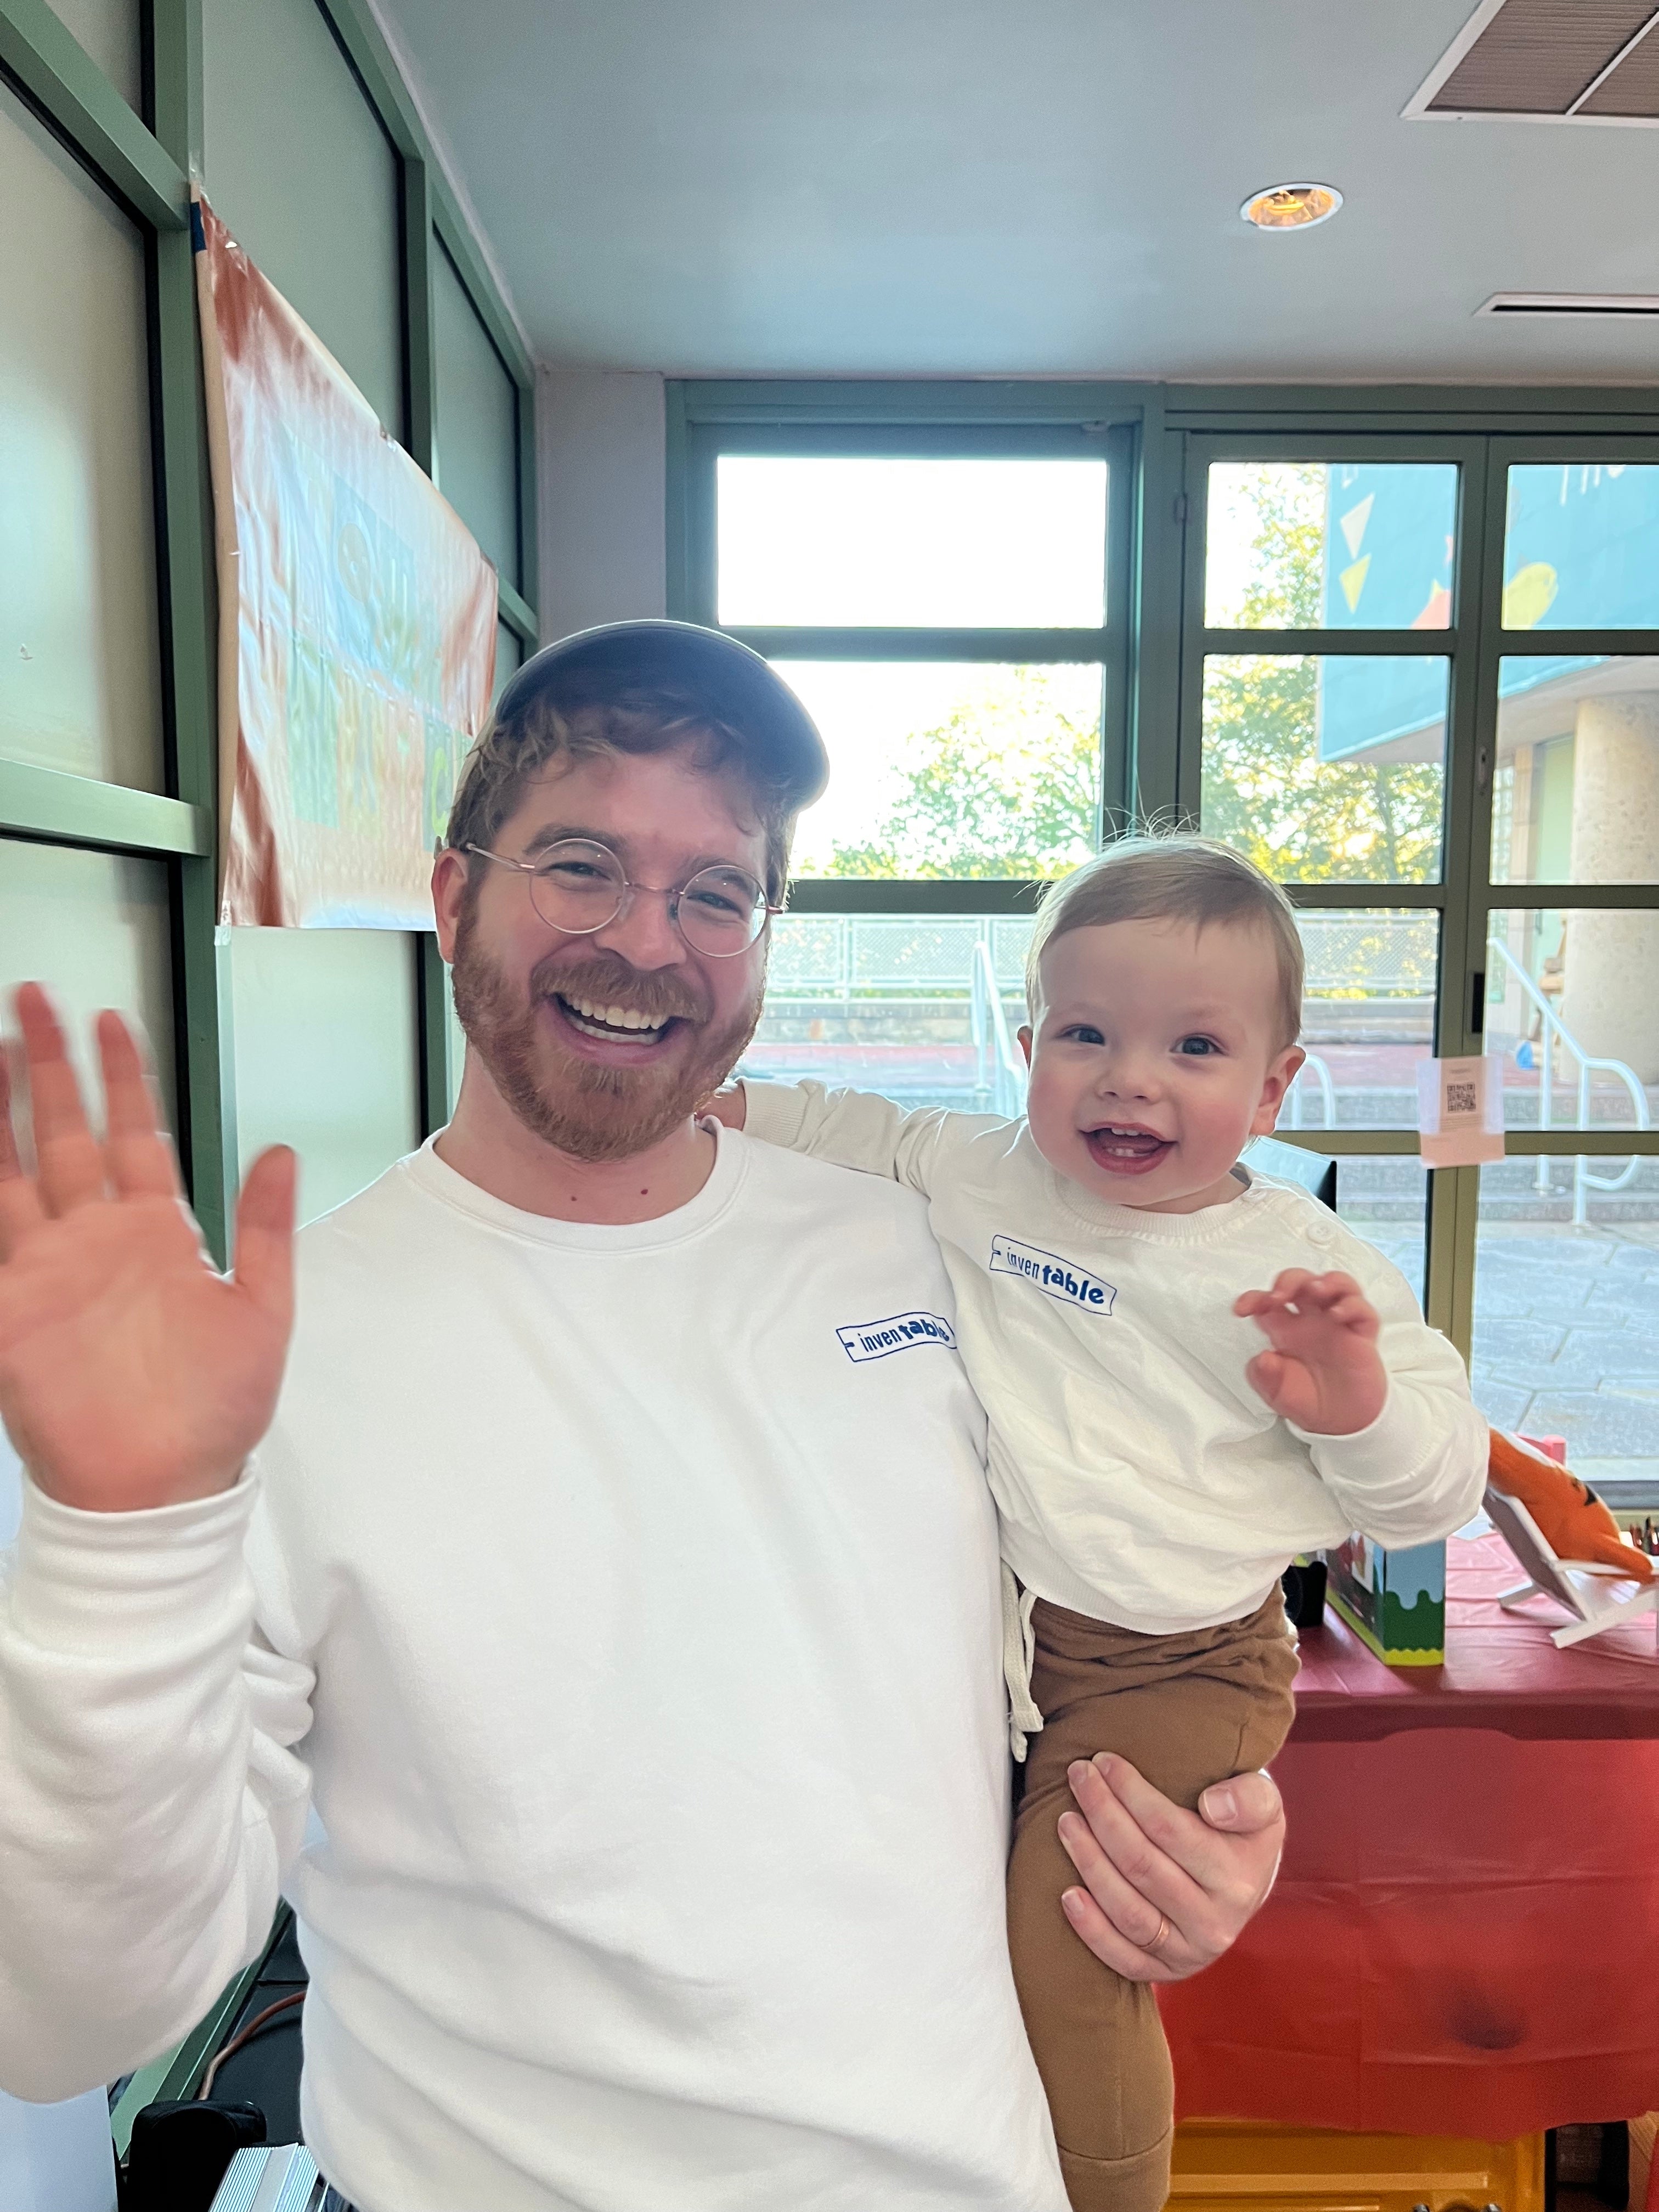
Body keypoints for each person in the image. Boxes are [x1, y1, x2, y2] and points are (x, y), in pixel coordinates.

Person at [0, 626, 1286, 2212]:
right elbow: (56, 2016)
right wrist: (111, 1532)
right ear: (455, 890)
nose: (649, 944)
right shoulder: (266, 1363)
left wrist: (1199, 1823)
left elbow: (1113, 1578)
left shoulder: (912, 1248)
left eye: (716, 892)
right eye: (584, 865)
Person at [709, 834, 1489, 2212]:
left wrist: (1356, 1403)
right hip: (1020, 1645)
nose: (1130, 1077)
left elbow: (1436, 1493)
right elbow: (863, 1131)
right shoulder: (996, 1173)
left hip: (1185, 1661)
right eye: (1086, 1033)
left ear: (1274, 1087)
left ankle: (1107, 2195)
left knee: (1070, 1946)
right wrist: (712, 1102)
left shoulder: (1301, 1271)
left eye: (1194, 1046)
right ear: (1026, 1046)